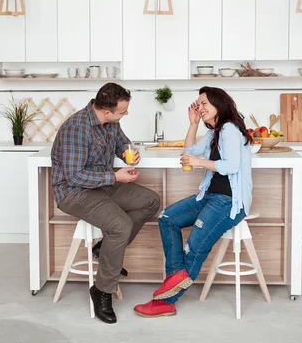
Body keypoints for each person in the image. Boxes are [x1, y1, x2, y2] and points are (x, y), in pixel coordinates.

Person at [134, 86, 253, 318]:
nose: (200, 107)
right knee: (167, 218)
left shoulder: (229, 128)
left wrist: (199, 162)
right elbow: (189, 150)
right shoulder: (216, 130)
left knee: (193, 249)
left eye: (204, 103)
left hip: (228, 202)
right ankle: (173, 282)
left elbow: (231, 166)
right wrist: (193, 123)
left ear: (219, 104)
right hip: (209, 196)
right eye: (198, 104)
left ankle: (165, 301)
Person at [51, 83, 161, 324]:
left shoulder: (111, 122)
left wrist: (128, 153)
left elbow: (122, 142)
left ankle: (104, 250)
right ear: (107, 110)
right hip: (74, 193)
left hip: (103, 186)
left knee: (151, 201)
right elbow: (75, 176)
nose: (126, 114)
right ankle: (101, 290)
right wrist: (114, 176)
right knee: (120, 226)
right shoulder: (76, 129)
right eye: (123, 111)